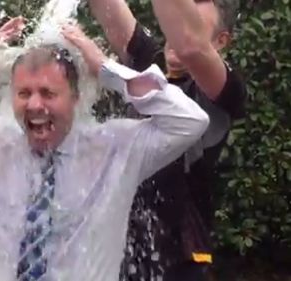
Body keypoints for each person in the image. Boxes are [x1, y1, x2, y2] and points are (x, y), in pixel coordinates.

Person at [0, 14, 209, 281]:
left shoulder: (117, 148)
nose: (35, 105)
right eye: (24, 93)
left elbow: (190, 120)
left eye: (48, 93)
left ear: (75, 97)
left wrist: (107, 72)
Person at [88, 0, 247, 280]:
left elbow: (191, 47)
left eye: (191, 24)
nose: (175, 33)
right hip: (118, 246)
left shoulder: (223, 91)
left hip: (179, 258)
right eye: (172, 21)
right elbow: (108, 9)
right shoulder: (151, 66)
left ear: (221, 41)